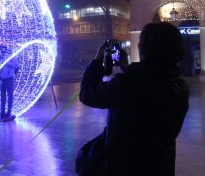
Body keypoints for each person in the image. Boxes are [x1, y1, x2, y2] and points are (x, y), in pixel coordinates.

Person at [76, 22, 190, 176]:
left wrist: (97, 61)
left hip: (123, 166)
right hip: (161, 165)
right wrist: (126, 68)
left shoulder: (126, 85)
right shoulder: (179, 87)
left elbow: (87, 94)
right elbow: (151, 81)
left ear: (144, 48)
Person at [0, 48, 19, 122]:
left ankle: (9, 112)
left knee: (10, 95)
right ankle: (2, 112)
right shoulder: (2, 55)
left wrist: (6, 62)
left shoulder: (12, 56)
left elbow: (16, 65)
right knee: (2, 95)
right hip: (2, 78)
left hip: (9, 78)